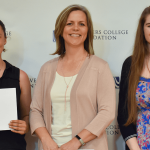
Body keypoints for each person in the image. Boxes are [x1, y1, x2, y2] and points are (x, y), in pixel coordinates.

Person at [30, 4, 116, 150]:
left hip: (88, 146)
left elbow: (107, 113)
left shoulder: (100, 67)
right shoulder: (47, 69)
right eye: (69, 24)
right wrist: (46, 140)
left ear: (87, 31)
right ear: (60, 29)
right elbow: (35, 110)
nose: (75, 28)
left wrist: (76, 142)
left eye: (81, 24)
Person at [117, 6, 150, 150]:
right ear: (142, 29)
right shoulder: (130, 64)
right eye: (149, 25)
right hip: (139, 145)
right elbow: (124, 114)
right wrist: (135, 148)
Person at [0, 20, 31, 150]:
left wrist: (25, 125)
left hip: (11, 146)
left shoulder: (20, 77)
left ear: (5, 40)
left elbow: (26, 115)